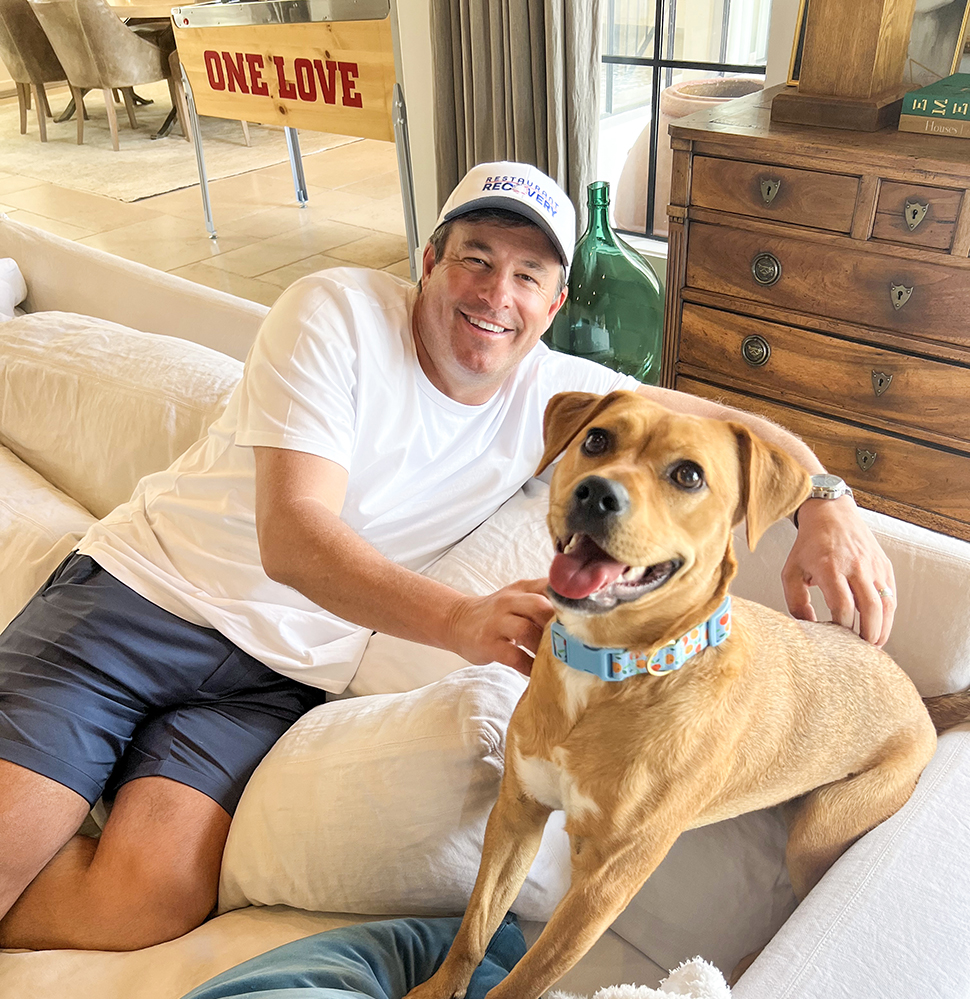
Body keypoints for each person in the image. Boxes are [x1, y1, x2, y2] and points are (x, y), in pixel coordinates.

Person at [0, 161, 895, 954]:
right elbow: (293, 538)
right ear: (428, 261)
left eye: (529, 276)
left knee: (146, 898)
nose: (497, 293)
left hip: (274, 677)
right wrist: (460, 620)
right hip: (142, 599)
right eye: (475, 258)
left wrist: (826, 501)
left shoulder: (561, 399)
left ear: (553, 308)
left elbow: (734, 428)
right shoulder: (336, 312)